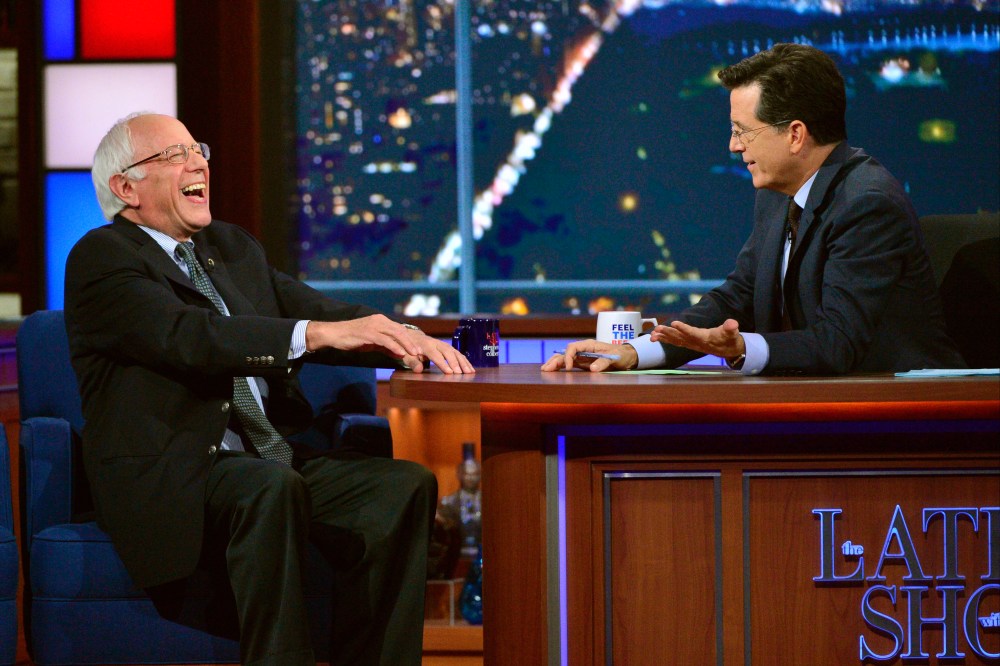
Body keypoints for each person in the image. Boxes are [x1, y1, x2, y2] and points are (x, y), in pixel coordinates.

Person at [64, 111, 475, 666]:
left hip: (268, 458)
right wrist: (318, 333)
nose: (198, 163)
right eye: (173, 155)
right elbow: (192, 337)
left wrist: (404, 338)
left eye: (198, 148)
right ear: (125, 188)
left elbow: (316, 311)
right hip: (176, 471)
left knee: (402, 487)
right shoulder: (102, 257)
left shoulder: (229, 248)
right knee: (269, 488)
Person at [543, 43, 964, 375]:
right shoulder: (777, 194)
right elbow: (740, 295)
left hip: (905, 422)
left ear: (795, 134)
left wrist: (744, 347)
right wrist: (633, 352)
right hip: (818, 408)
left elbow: (839, 342)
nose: (733, 145)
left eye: (742, 131)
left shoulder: (866, 203)